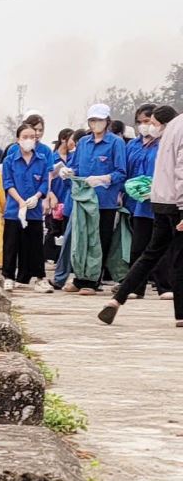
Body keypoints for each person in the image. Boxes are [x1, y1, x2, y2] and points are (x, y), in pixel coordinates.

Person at [99, 105, 183, 325]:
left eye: (153, 123)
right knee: (178, 259)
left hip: (160, 201)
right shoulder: (179, 129)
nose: (150, 127)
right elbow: (181, 172)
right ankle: (181, 314)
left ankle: (117, 299)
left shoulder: (169, 133)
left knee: (150, 254)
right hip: (176, 203)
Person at [57, 103, 128, 291]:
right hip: (84, 200)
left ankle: (93, 281)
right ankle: (80, 278)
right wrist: (69, 172)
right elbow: (76, 167)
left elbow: (121, 172)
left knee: (100, 240)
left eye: (100, 120)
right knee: (82, 240)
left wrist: (104, 178)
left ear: (107, 121)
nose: (96, 123)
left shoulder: (116, 143)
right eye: (92, 120)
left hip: (105, 201)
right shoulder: (83, 143)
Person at [1, 121, 52, 291]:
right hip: (14, 210)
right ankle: (8, 276)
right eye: (25, 137)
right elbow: (8, 183)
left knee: (35, 245)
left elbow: (44, 182)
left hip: (34, 210)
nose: (29, 139)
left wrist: (37, 197)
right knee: (11, 244)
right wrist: (20, 201)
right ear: (18, 139)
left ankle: (40, 278)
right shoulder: (10, 160)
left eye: (32, 136)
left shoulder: (42, 160)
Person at [123, 104, 163, 296]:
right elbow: (126, 171)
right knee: (138, 246)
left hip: (161, 200)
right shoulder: (133, 145)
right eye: (140, 122)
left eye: (148, 121)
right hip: (139, 202)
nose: (144, 126)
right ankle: (135, 287)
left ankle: (164, 286)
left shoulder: (164, 143)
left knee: (162, 244)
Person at [46, 128, 77, 285]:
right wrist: (50, 195)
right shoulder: (52, 157)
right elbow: (46, 178)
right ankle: (52, 259)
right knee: (54, 230)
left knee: (66, 233)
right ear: (64, 139)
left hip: (69, 199)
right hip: (56, 199)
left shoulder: (73, 156)